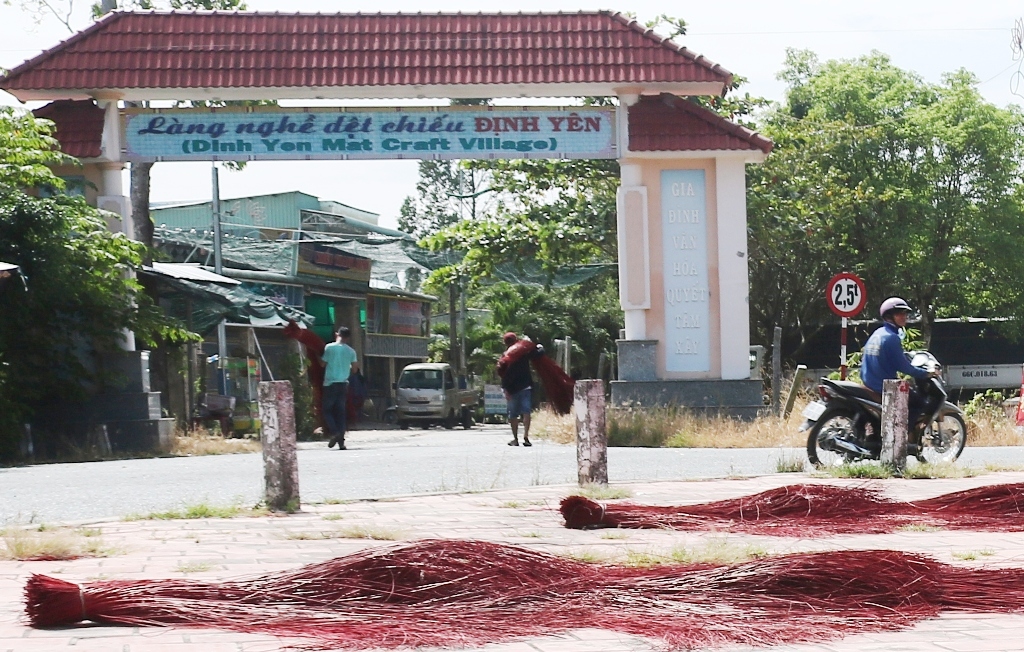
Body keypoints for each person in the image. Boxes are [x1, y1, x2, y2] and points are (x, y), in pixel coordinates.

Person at [861, 297, 934, 425]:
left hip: (869, 383)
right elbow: (905, 368)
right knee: (920, 403)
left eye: (905, 313)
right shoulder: (892, 338)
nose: (904, 316)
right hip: (884, 387)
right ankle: (901, 435)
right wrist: (926, 373)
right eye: (900, 313)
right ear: (889, 316)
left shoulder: (878, 333)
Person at [498, 332, 543, 447]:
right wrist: (539, 347)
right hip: (525, 387)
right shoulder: (523, 352)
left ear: (505, 343)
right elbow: (537, 353)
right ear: (516, 340)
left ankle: (515, 439)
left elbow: (502, 373)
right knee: (526, 412)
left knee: (513, 415)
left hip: (512, 389)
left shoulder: (505, 355)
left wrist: (505, 389)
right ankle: (526, 436)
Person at [319, 326, 359, 450]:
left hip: (330, 384)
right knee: (340, 413)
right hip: (343, 384)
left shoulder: (329, 347)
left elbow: (322, 364)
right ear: (348, 338)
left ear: (337, 334)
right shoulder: (351, 351)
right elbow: (355, 369)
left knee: (327, 410)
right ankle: (341, 443)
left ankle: (335, 432)